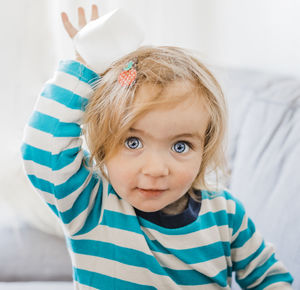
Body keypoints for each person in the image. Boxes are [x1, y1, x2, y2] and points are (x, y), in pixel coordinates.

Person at [21, 4, 293, 289]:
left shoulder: (225, 214)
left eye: (180, 146)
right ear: (102, 147)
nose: (155, 169)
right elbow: (42, 149)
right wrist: (84, 67)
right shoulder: (91, 203)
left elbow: (269, 279)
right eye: (133, 142)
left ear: (205, 148)